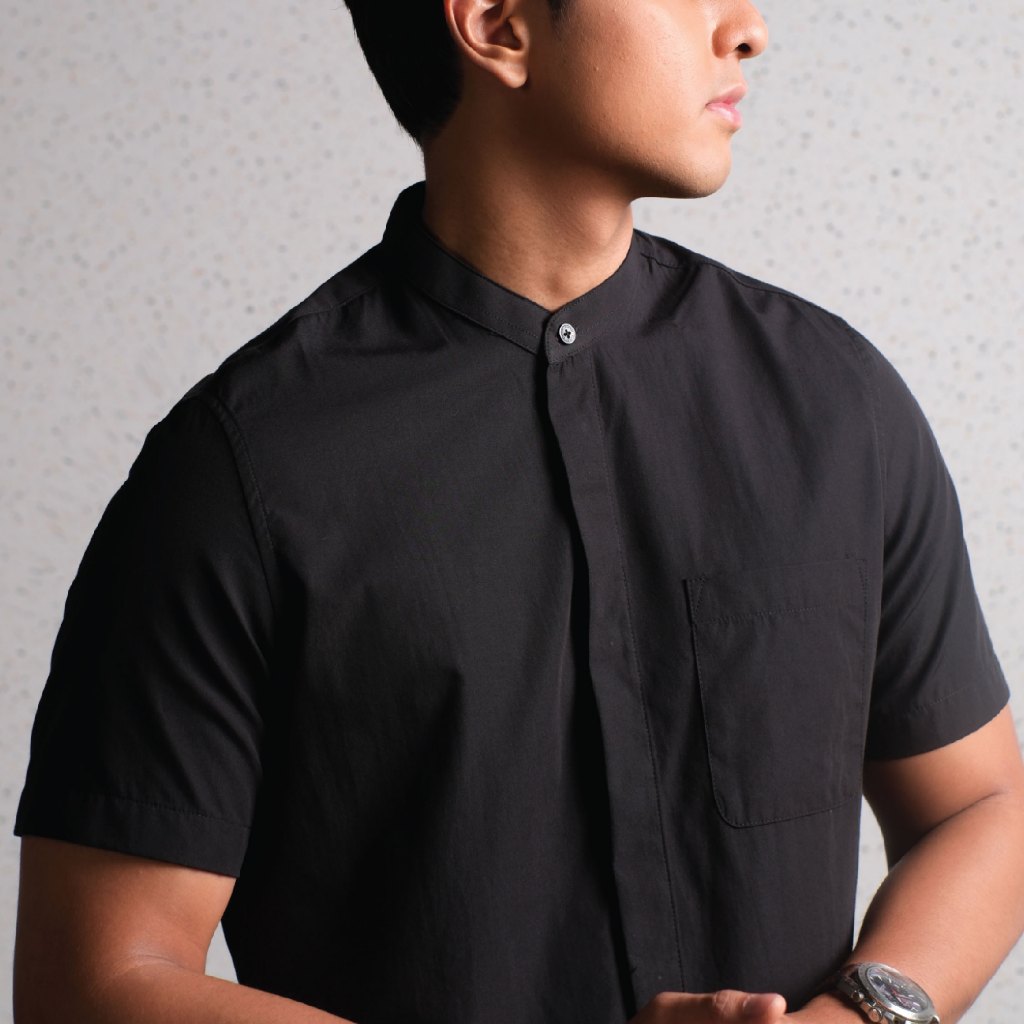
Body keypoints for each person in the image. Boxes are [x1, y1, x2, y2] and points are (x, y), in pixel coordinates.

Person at [12, 0, 1024, 1021]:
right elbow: (93, 978)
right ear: (498, 25)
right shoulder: (238, 470)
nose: (747, 27)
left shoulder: (836, 403)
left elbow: (981, 804)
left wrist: (859, 1017)